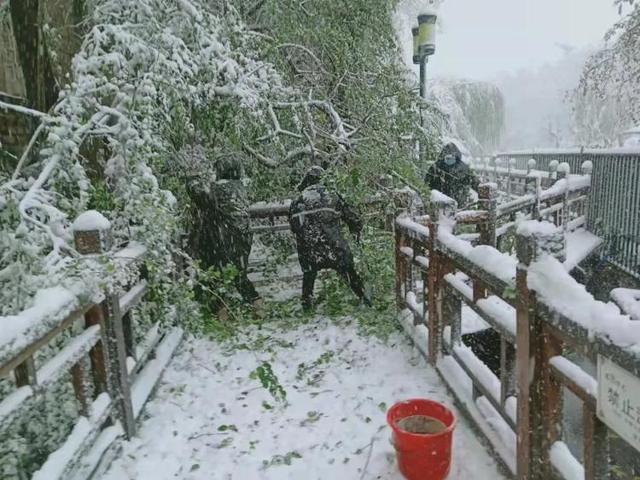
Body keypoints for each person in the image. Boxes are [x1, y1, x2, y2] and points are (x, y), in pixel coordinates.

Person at [289, 166, 372, 310]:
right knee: (348, 270)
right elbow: (352, 217)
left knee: (309, 273)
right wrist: (356, 231)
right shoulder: (332, 196)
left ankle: (307, 303)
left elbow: (294, 227)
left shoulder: (297, 201)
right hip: (334, 246)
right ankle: (364, 298)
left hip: (309, 249)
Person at [188, 157, 262, 317]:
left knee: (213, 273)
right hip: (241, 239)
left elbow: (202, 199)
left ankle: (222, 312)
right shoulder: (240, 188)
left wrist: (192, 182)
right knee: (238, 274)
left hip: (222, 239)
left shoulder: (218, 189)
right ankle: (258, 305)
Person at [424, 142, 479, 207]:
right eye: (447, 157)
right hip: (439, 205)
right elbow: (426, 185)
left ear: (456, 157)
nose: (449, 159)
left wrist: (483, 192)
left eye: (452, 156)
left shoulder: (463, 169)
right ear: (443, 156)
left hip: (459, 205)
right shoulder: (436, 168)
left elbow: (475, 183)